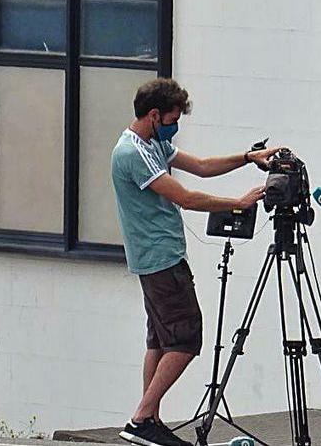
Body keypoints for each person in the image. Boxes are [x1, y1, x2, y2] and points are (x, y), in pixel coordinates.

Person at [113, 78, 278, 446]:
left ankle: (149, 419)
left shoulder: (153, 142)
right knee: (187, 338)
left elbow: (201, 166)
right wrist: (237, 203)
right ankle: (141, 418)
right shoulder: (132, 153)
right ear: (154, 115)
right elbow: (186, 197)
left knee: (160, 339)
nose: (175, 126)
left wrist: (248, 158)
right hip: (159, 260)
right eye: (172, 119)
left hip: (160, 257)